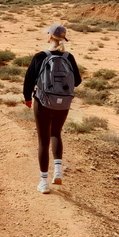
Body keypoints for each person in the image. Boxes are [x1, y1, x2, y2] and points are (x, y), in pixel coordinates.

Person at [23, 24, 82, 194]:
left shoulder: (40, 56)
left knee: (43, 140)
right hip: (63, 103)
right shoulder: (69, 57)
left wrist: (28, 99)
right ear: (63, 38)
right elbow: (77, 81)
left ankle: (44, 182)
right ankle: (58, 171)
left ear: (49, 37)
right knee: (56, 133)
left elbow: (29, 81)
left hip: (43, 101)